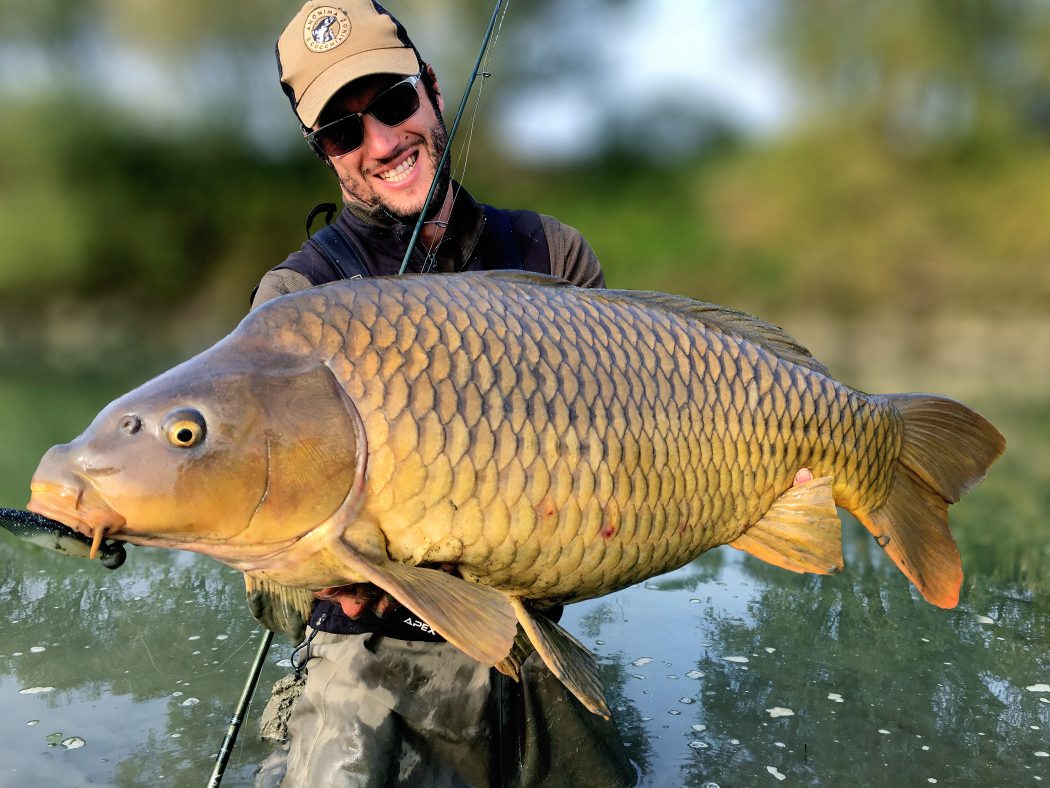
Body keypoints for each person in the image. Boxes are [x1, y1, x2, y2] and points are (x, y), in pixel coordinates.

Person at [250, 2, 636, 786]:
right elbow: (261, 563)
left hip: (527, 632)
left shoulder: (551, 254)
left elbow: (623, 473)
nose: (383, 143)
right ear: (324, 154)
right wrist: (319, 579)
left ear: (431, 89)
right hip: (367, 651)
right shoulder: (295, 299)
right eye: (343, 131)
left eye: (393, 103)